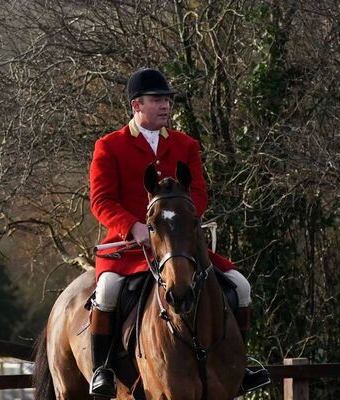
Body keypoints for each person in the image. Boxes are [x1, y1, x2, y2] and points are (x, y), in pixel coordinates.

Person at [87, 68, 263, 396]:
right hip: (130, 247)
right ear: (136, 105)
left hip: (180, 244)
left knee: (240, 286)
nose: (165, 105)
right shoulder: (110, 146)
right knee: (108, 291)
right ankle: (104, 369)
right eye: (157, 100)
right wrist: (133, 226)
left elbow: (198, 193)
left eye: (167, 100)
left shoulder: (186, 145)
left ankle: (239, 366)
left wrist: (183, 219)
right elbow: (101, 200)